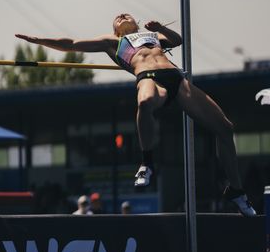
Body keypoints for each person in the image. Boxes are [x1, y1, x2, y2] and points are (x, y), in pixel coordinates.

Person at [16, 14, 256, 217]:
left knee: (225, 128)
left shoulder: (153, 37)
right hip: (148, 78)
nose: (122, 16)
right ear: (115, 29)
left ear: (136, 23)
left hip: (177, 80)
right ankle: (147, 162)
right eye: (118, 18)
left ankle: (236, 190)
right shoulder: (112, 41)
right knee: (145, 101)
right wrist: (38, 40)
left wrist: (160, 28)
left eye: (126, 14)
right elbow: (71, 43)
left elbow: (178, 40)